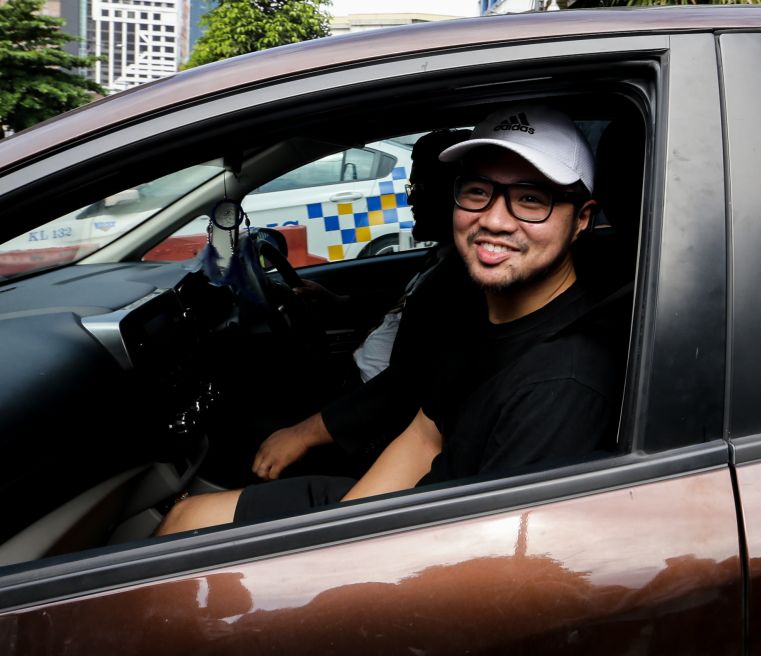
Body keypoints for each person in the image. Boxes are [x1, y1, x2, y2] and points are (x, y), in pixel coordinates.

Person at [157, 104, 621, 534]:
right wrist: (337, 533)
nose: (495, 220)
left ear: (582, 219)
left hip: (435, 542)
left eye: (532, 199)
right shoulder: (482, 312)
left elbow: (490, 558)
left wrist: (320, 571)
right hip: (412, 502)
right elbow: (424, 437)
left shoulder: (564, 381)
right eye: (478, 191)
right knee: (185, 516)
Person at [249, 129, 478, 482]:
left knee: (250, 431)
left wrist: (306, 433)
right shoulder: (444, 257)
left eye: (418, 190)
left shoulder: (464, 280)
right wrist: (338, 303)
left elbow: (407, 385)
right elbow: (403, 309)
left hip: (374, 421)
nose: (410, 201)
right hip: (357, 391)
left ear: (452, 194)